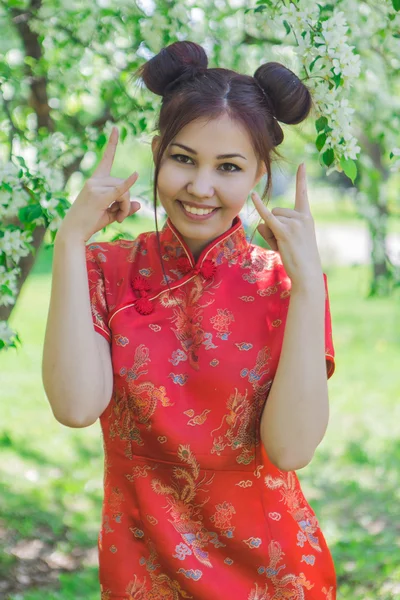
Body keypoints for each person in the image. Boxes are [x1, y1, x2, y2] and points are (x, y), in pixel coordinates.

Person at [42, 41, 336, 600]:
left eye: (228, 167)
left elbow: (291, 450)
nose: (201, 188)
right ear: (156, 153)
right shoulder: (106, 269)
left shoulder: (286, 283)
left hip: (272, 574)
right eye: (183, 159)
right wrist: (68, 240)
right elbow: (76, 407)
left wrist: (304, 286)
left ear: (258, 177)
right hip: (140, 569)